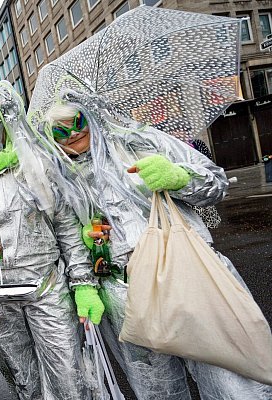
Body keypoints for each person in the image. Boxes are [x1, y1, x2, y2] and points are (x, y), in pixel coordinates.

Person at [40, 90, 272, 399]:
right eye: (60, 130)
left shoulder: (142, 141)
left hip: (189, 278)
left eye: (77, 121)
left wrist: (178, 177)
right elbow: (70, 239)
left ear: (91, 115)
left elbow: (215, 182)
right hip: (124, 294)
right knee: (158, 392)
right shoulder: (63, 178)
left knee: (233, 385)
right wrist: (86, 280)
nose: (72, 134)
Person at [0, 82, 95, 400]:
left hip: (47, 291)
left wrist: (83, 285)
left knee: (68, 380)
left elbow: (67, 228)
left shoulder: (36, 167)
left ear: (4, 120)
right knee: (24, 381)